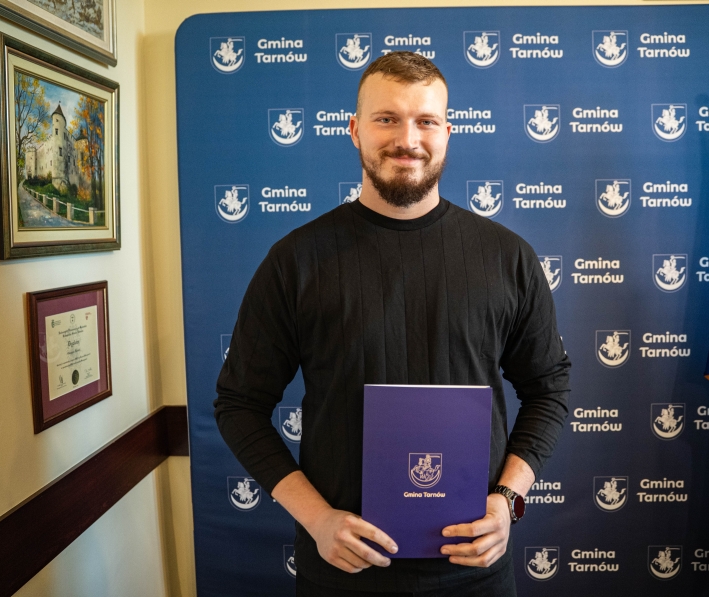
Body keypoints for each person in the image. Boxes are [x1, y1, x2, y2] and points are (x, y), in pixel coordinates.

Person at [215, 51, 570, 596]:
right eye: (387, 119)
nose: (408, 139)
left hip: (474, 573)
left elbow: (549, 389)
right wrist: (317, 520)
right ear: (354, 130)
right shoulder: (296, 261)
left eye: (426, 120)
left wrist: (507, 501)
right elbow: (239, 404)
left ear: (447, 132)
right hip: (342, 574)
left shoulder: (508, 257)